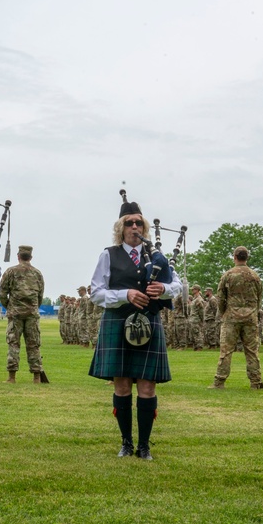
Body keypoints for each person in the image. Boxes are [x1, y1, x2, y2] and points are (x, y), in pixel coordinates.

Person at [89, 197, 182, 460]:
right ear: (120, 228)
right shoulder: (109, 254)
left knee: (147, 388)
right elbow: (96, 293)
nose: (134, 227)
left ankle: (144, 445)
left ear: (144, 228)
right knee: (121, 386)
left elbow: (178, 286)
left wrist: (163, 289)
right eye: (129, 223)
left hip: (149, 324)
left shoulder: (157, 258)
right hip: (117, 323)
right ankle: (126, 442)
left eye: (138, 223)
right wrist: (126, 294)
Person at [210, 246, 263, 390]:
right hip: (251, 317)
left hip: (231, 317)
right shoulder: (255, 276)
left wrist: (223, 313)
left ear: (235, 257)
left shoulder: (228, 275)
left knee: (226, 351)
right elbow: (259, 297)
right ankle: (256, 381)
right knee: (252, 351)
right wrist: (254, 312)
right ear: (247, 257)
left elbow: (221, 297)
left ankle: (219, 381)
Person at [0, 245, 47, 384]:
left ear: (18, 256)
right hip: (32, 313)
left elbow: (3, 293)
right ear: (30, 257)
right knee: (34, 345)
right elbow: (40, 295)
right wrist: (34, 307)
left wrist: (9, 306)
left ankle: (12, 377)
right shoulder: (37, 273)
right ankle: (36, 377)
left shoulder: (11, 271)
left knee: (13, 344)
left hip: (15, 314)